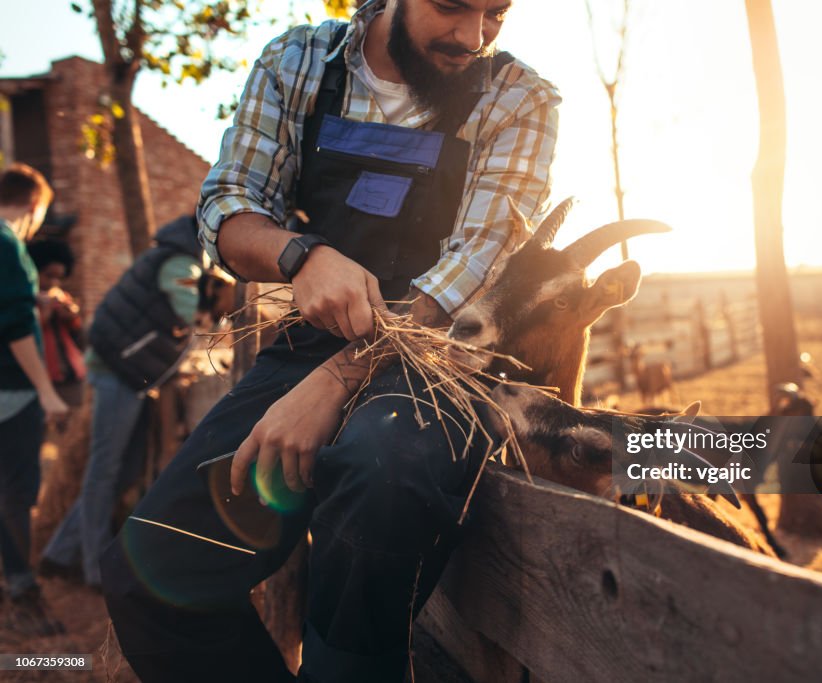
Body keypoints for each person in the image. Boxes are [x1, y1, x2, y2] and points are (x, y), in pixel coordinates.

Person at [100, 0, 560, 681]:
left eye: (496, 12)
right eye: (452, 7)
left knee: (382, 471)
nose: (474, 36)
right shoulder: (298, 62)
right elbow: (229, 207)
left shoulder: (520, 98)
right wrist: (301, 256)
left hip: (439, 364)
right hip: (308, 345)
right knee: (151, 578)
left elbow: (473, 272)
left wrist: (338, 383)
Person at [40, 215, 209, 590]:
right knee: (104, 470)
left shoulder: (169, 253)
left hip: (125, 370)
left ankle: (59, 554)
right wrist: (211, 310)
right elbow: (188, 312)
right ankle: (94, 570)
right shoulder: (181, 263)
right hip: (119, 371)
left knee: (126, 468)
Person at [0, 163, 67, 635]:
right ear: (33, 205)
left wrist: (38, 301)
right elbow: (14, 326)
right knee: (17, 493)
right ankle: (22, 589)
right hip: (13, 391)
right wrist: (46, 391)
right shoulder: (8, 244)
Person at [26, 239, 87, 406]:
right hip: (39, 382)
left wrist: (73, 319)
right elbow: (23, 339)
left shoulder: (63, 300)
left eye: (59, 278)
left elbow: (82, 343)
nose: (54, 283)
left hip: (70, 378)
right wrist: (43, 315)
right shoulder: (24, 303)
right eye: (49, 276)